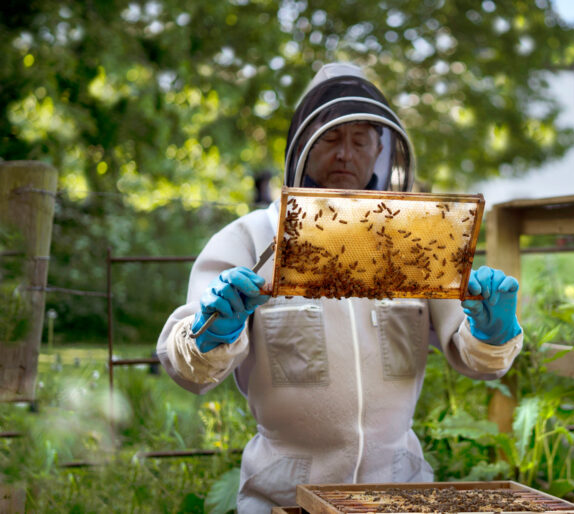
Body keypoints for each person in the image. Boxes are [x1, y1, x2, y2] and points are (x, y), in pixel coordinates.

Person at [157, 63, 524, 513]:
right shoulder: (248, 239)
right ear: (302, 146)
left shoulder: (413, 240)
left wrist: (492, 332)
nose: (345, 155)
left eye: (360, 139)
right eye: (331, 138)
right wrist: (209, 330)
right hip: (281, 497)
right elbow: (186, 368)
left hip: (399, 491)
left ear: (381, 148)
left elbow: (475, 358)